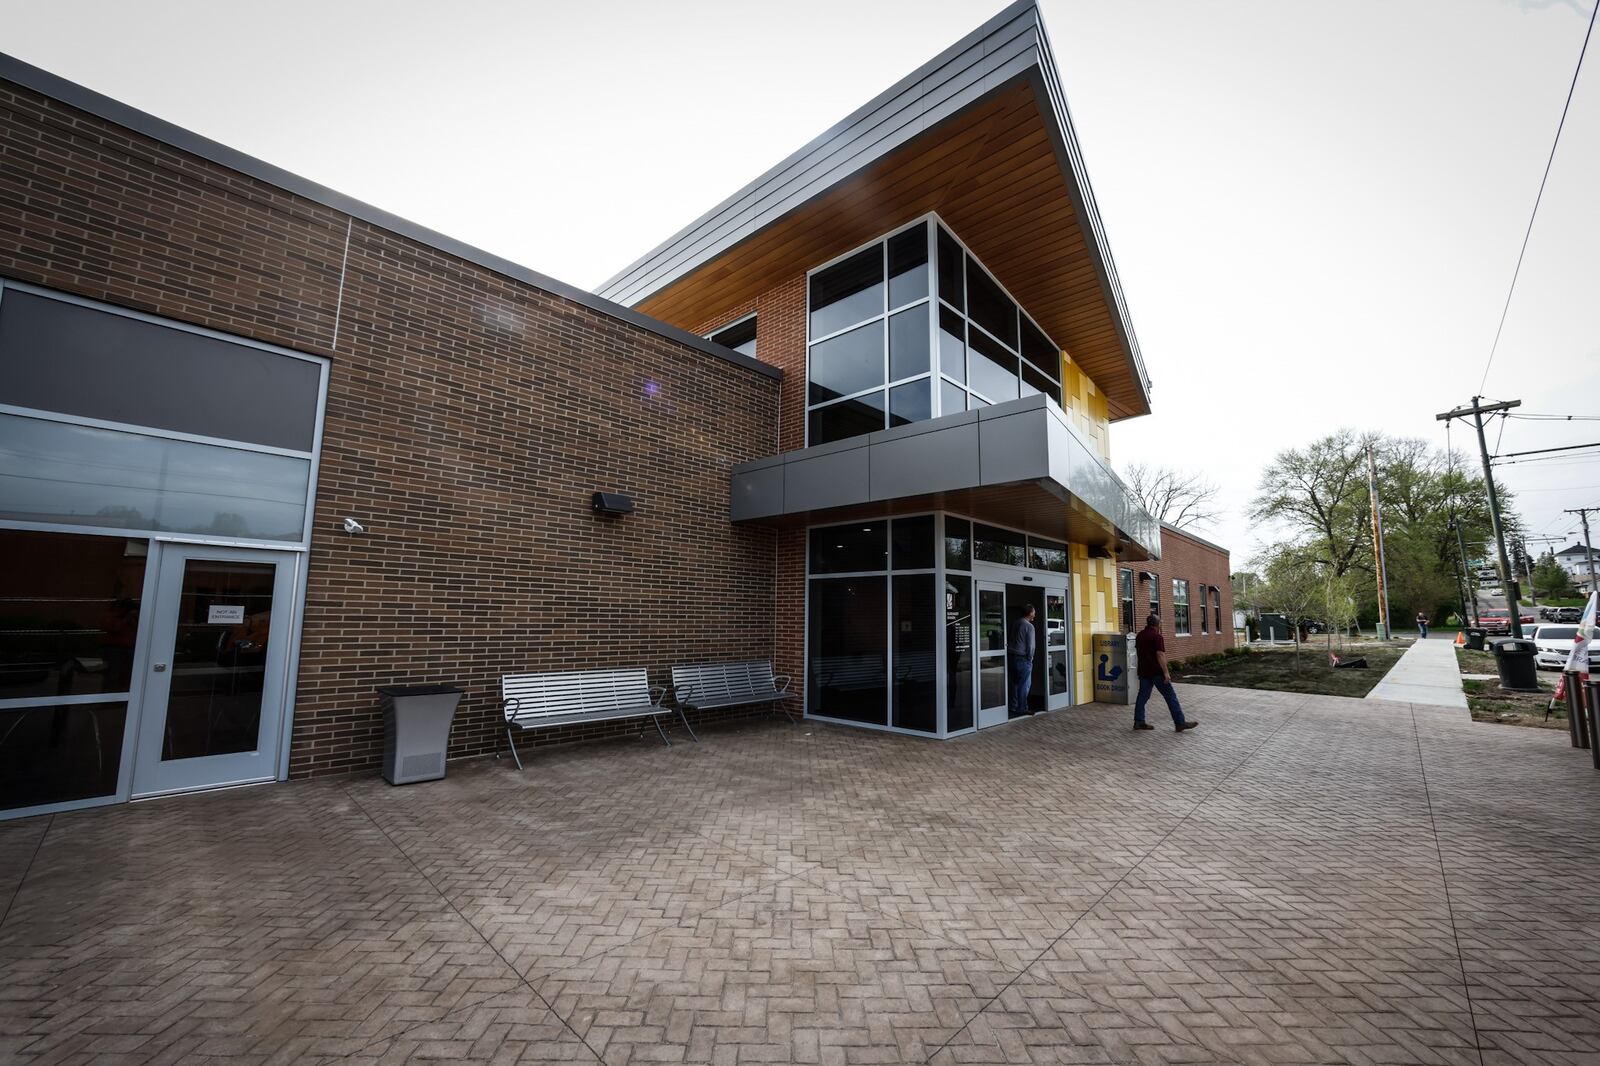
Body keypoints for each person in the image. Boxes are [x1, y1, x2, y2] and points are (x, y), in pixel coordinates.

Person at [1133, 612, 1198, 732]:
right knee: (1170, 696)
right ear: (1157, 624)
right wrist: (1166, 672)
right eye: (1160, 623)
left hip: (1143, 672)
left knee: (1142, 697)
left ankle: (1138, 721)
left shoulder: (1140, 635)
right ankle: (1180, 723)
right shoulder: (1157, 637)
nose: (1161, 625)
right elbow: (1160, 654)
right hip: (1157, 673)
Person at [1008, 604, 1036, 715]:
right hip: (1023, 658)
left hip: (1011, 657)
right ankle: (1023, 708)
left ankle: (1013, 706)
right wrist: (1030, 658)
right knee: (1024, 685)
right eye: (1034, 612)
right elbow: (1031, 646)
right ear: (1029, 613)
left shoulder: (1015, 623)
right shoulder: (1029, 626)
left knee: (1014, 684)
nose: (1035, 614)